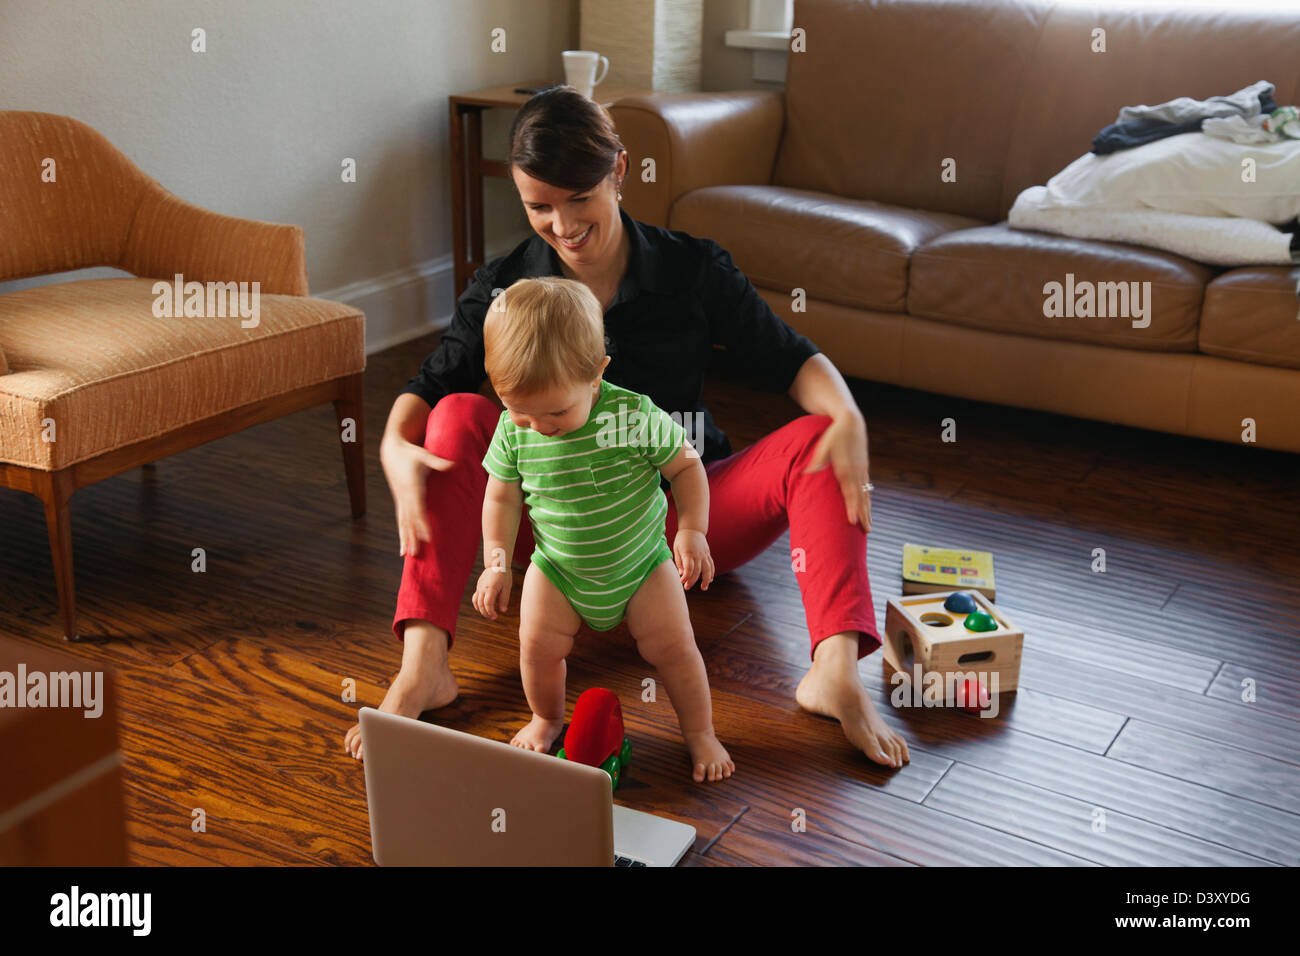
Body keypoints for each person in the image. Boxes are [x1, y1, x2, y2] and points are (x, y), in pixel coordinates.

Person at [344, 86, 910, 770]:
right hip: (558, 527)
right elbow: (428, 387)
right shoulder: (504, 287)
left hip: (684, 520)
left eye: (579, 197)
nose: (562, 224)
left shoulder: (692, 268)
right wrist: (391, 446)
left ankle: (836, 672)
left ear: (619, 170)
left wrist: (847, 415)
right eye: (539, 206)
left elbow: (790, 356)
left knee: (823, 434)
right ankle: (426, 664)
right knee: (456, 416)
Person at [472, 276, 733, 782]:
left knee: (675, 650)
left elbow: (685, 465)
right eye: (520, 410)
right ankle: (546, 718)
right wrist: (496, 561)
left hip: (640, 564)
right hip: (559, 568)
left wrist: (692, 531)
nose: (540, 425)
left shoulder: (631, 416)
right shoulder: (513, 430)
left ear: (596, 375)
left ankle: (701, 733)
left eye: (556, 411)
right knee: (536, 647)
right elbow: (500, 496)